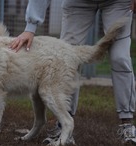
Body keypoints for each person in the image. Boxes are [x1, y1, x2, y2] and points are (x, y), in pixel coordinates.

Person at [9, 0, 136, 145]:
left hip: (117, 2)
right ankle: (64, 126)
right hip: (77, 3)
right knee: (65, 60)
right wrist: (30, 27)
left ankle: (127, 124)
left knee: (120, 58)